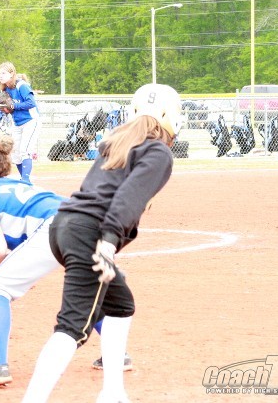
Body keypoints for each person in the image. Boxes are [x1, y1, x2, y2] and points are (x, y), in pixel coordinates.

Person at [22, 83, 185, 403]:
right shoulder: (158, 152)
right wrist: (108, 243)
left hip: (64, 226)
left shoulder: (118, 141)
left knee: (121, 306)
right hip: (91, 235)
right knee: (72, 328)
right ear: (170, 117)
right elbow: (129, 198)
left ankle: (112, 393)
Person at [0, 136, 131, 390]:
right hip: (84, 222)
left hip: (56, 228)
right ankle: (118, 356)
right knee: (88, 288)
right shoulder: (22, 185)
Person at [0, 62, 40, 184]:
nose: (0, 76)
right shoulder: (5, 89)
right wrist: (5, 110)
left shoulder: (21, 85)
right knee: (15, 153)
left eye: (3, 73)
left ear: (11, 74)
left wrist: (14, 106)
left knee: (25, 150)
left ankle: (26, 180)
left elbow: (31, 103)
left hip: (31, 121)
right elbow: (9, 108)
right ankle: (24, 179)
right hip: (17, 123)